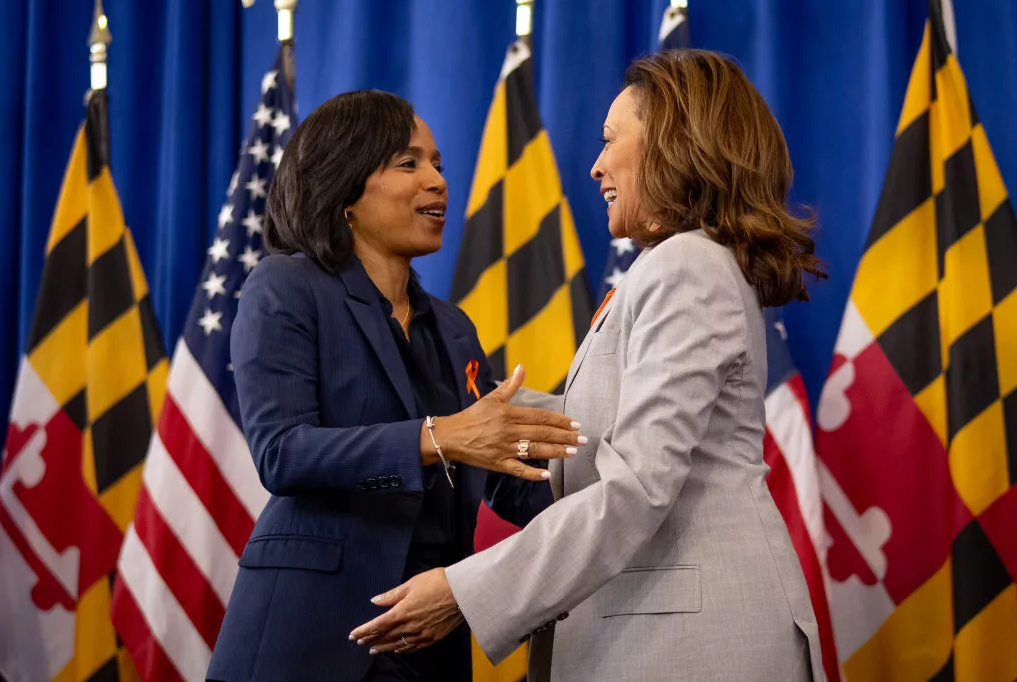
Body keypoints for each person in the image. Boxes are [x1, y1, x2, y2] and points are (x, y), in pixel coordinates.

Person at [351, 50, 828, 681]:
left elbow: (637, 487)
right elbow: (599, 433)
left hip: (694, 644)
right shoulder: (683, 264)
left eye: (609, 141)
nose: (596, 165)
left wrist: (467, 590)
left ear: (672, 146)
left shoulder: (685, 266)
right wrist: (454, 409)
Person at [205, 90, 584, 682]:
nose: (436, 181)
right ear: (344, 185)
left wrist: (609, 498)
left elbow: (504, 473)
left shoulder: (454, 328)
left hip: (428, 640)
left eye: (438, 164)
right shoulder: (284, 286)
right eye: (409, 163)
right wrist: (438, 438)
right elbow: (282, 453)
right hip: (311, 638)